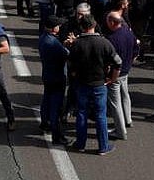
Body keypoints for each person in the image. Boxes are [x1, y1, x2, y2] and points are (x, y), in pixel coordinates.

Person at [67, 14, 122, 155]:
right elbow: (118, 62)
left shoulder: (77, 44)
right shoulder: (104, 43)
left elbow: (71, 65)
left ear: (81, 27)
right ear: (94, 25)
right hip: (99, 84)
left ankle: (80, 144)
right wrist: (113, 78)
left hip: (82, 84)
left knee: (81, 113)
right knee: (100, 116)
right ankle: (103, 146)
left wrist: (75, 75)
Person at [105, 12, 139, 140]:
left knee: (115, 103)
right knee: (125, 95)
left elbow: (110, 61)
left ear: (112, 22)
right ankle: (128, 119)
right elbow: (136, 50)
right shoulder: (129, 33)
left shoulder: (111, 39)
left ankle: (120, 131)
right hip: (126, 71)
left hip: (115, 74)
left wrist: (110, 75)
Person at [38, 15, 71, 145]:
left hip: (47, 74)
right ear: (53, 28)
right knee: (56, 108)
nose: (60, 27)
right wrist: (68, 46)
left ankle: (44, 123)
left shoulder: (43, 38)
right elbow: (66, 55)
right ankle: (57, 136)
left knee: (46, 100)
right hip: (57, 76)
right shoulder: (53, 43)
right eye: (58, 25)